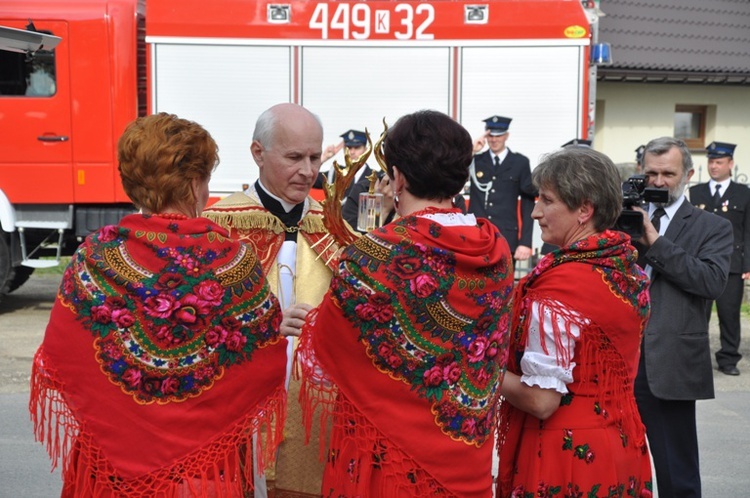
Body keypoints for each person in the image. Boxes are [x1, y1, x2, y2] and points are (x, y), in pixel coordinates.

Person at [29, 112, 288, 497]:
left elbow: (65, 356)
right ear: (196, 182)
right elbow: (265, 363)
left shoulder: (95, 255)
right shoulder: (234, 261)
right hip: (207, 474)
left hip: (111, 475)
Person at [293, 110, 515, 496]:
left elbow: (330, 352)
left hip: (390, 463)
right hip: (468, 460)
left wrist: (311, 320)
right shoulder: (496, 250)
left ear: (398, 176)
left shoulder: (376, 252)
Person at [496, 147, 653, 497]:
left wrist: (476, 365)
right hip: (620, 441)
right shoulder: (627, 269)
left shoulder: (561, 285)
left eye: (547, 200)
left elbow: (541, 400)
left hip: (566, 454)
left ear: (584, 209)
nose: (535, 211)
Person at [202, 103, 341, 498]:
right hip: (238, 406)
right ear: (257, 153)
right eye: (295, 157)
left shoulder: (333, 226)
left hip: (314, 414)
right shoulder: (218, 227)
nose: (309, 170)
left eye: (315, 157)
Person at [633, 137, 733, 498]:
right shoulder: (620, 219)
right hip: (615, 358)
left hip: (668, 361)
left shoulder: (712, 227)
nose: (658, 182)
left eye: (668, 174)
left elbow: (710, 282)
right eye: (651, 173)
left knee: (678, 474)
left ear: (689, 174)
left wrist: (655, 242)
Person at [689, 142, 748, 376]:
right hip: (701, 262)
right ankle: (697, 357)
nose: (714, 166)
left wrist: (748, 263)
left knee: (729, 314)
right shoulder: (696, 192)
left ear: (730, 164)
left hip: (732, 263)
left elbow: (748, 230)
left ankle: (728, 358)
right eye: (711, 162)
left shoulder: (743, 194)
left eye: (719, 162)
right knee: (698, 313)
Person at [468, 115, 536, 261]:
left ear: (506, 136)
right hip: (477, 236)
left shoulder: (520, 162)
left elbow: (528, 202)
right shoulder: (475, 160)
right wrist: (471, 151)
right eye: (490, 136)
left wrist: (525, 242)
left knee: (506, 283)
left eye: (498, 136)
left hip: (506, 237)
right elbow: (453, 177)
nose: (494, 140)